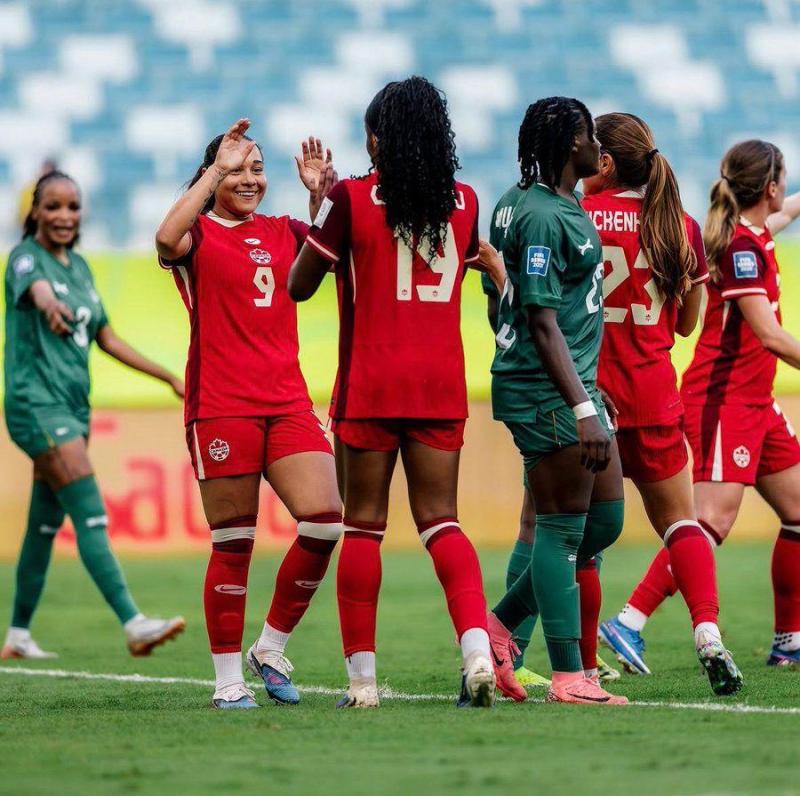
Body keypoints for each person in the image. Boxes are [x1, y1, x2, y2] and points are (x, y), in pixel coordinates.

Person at [289, 77, 500, 709]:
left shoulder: (349, 199)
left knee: (364, 529)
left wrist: (321, 204)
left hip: (370, 385)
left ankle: (362, 685)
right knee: (443, 523)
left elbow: (302, 285)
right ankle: (477, 653)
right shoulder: (464, 200)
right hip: (439, 385)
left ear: (376, 138)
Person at [155, 121, 343, 710]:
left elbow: (333, 255)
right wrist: (214, 171)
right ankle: (227, 681)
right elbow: (165, 238)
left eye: (257, 168)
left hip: (287, 400)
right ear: (212, 178)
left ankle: (270, 647)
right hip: (221, 404)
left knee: (325, 520)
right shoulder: (199, 235)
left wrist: (319, 199)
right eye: (237, 168)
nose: (250, 178)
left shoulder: (282, 229)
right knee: (234, 542)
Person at [604, 141, 800, 670]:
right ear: (771, 186)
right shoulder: (741, 250)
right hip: (724, 401)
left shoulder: (752, 234)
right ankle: (629, 621)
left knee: (799, 510)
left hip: (757, 403)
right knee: (709, 520)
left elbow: (781, 214)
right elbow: (771, 336)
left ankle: (789, 640)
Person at [581, 113, 742, 695]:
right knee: (681, 523)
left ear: (604, 162)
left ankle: (581, 664)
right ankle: (708, 635)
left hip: (590, 400)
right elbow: (685, 325)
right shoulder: (680, 225)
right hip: (653, 395)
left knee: (577, 534)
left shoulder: (581, 215)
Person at [478, 97, 627, 706]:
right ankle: (569, 676)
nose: (600, 148)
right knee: (563, 530)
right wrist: (581, 407)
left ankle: (496, 627)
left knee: (604, 520)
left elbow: (524, 300)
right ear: (572, 143)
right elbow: (539, 319)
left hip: (571, 385)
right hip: (546, 392)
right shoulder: (539, 214)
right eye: (592, 136)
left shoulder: (535, 202)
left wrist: (591, 387)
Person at [2, 170, 186, 660]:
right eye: (54, 207)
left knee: (44, 524)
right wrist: (46, 306)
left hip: (71, 408)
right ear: (35, 213)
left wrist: (166, 376)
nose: (65, 216)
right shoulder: (25, 258)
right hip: (34, 403)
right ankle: (134, 622)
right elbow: (38, 289)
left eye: (73, 206)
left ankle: (18, 634)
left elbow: (107, 337)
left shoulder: (80, 269)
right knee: (90, 509)